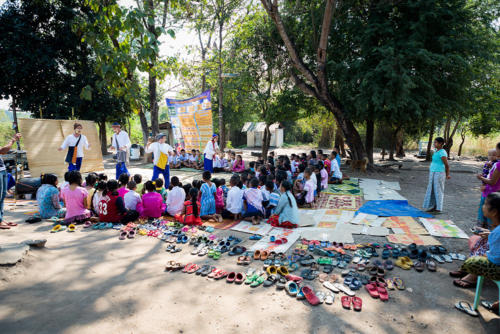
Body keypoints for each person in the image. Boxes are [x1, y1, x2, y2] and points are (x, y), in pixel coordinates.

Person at [453, 192, 500, 315]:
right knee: (476, 241)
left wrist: (483, 256)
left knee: (473, 261)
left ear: (494, 212)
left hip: (497, 266)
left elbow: (495, 259)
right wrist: (490, 234)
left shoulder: (497, 232)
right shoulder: (496, 231)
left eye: (485, 204)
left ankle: (469, 273)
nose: (482, 206)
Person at [423, 137, 451, 213]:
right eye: (434, 142)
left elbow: (446, 165)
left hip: (439, 173)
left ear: (441, 143)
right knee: (432, 190)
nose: (434, 144)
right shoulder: (436, 151)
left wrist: (448, 174)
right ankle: (433, 206)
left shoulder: (442, 152)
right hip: (433, 172)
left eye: (436, 142)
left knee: (438, 190)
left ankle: (438, 208)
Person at [476, 143, 500, 228]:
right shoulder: (495, 164)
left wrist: (481, 178)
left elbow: (493, 182)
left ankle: (487, 233)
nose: (495, 152)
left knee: (489, 214)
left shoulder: (498, 164)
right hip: (488, 191)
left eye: (496, 150)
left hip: (490, 193)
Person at [0, 133, 21, 227]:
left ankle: (1, 219)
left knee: (2, 195)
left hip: (2, 170)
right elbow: (3, 151)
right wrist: (13, 140)